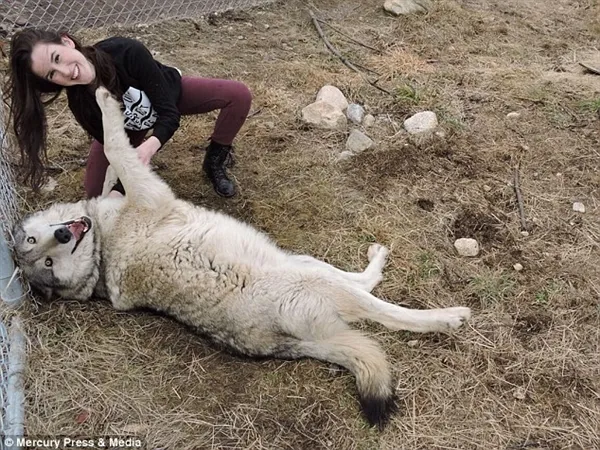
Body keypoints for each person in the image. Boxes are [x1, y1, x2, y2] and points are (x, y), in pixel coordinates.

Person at [5, 28, 253, 198]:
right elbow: (117, 149)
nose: (65, 72)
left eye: (57, 57)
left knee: (238, 95)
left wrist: (150, 147)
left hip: (166, 98)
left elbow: (168, 113)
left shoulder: (125, 51)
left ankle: (214, 163)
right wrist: (120, 188)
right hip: (127, 130)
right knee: (96, 193)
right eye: (51, 74)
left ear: (66, 41)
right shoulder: (80, 104)